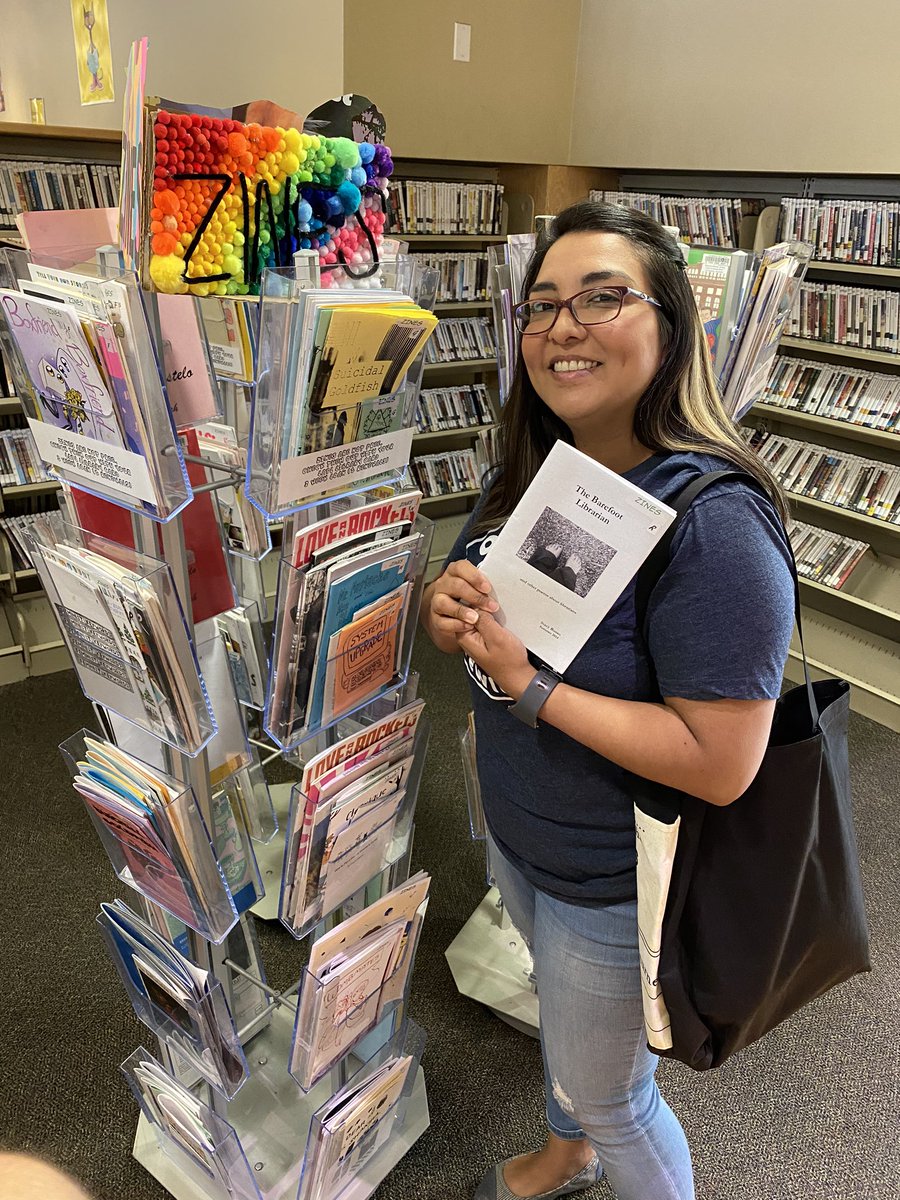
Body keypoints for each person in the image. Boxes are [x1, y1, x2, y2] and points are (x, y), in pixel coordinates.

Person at [420, 201, 794, 1200]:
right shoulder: (538, 466)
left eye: (600, 298)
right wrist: (446, 607)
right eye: (542, 305)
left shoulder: (714, 524)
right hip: (524, 831)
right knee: (565, 1027)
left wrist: (531, 687)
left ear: (670, 325)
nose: (563, 327)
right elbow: (477, 597)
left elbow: (721, 761)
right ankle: (568, 1151)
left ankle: (594, 1140)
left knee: (615, 1094)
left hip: (613, 875)